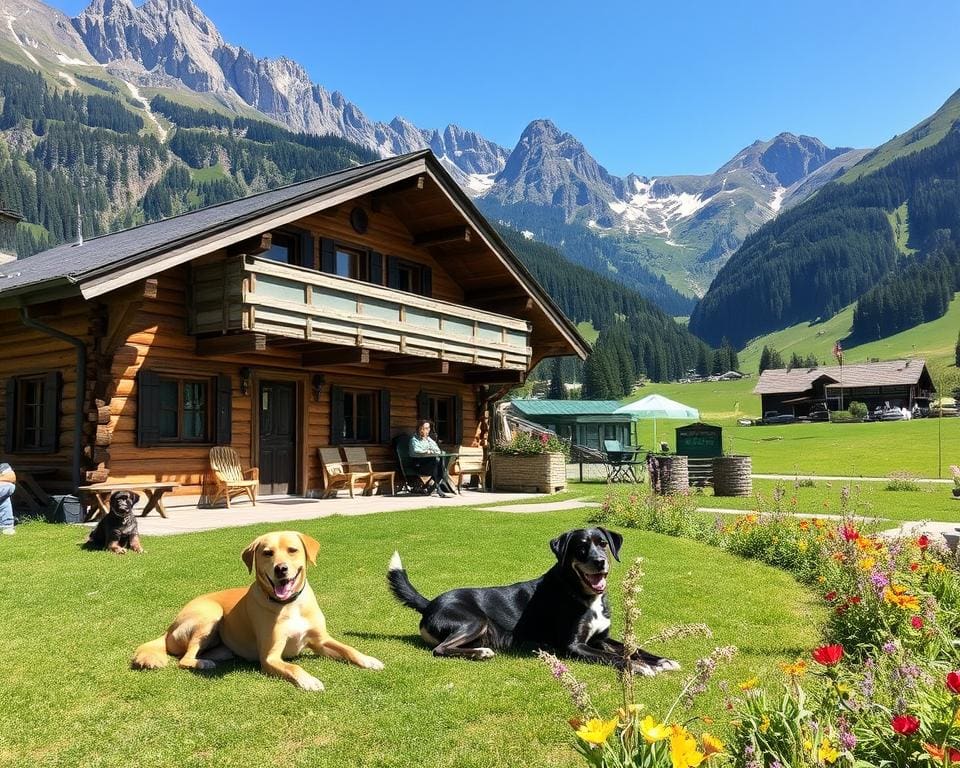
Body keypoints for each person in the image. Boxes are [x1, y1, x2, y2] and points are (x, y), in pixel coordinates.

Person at [409, 420, 451, 498]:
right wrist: (428, 451)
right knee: (436, 461)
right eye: (426, 428)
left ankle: (435, 487)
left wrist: (431, 451)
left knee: (442, 460)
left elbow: (437, 450)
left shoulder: (429, 440)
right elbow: (417, 450)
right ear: (420, 429)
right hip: (418, 464)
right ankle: (437, 488)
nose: (428, 430)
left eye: (428, 428)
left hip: (430, 464)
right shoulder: (414, 440)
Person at [0, 462, 17, 535]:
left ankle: (7, 525)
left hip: (4, 483)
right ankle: (7, 526)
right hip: (10, 484)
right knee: (4, 500)